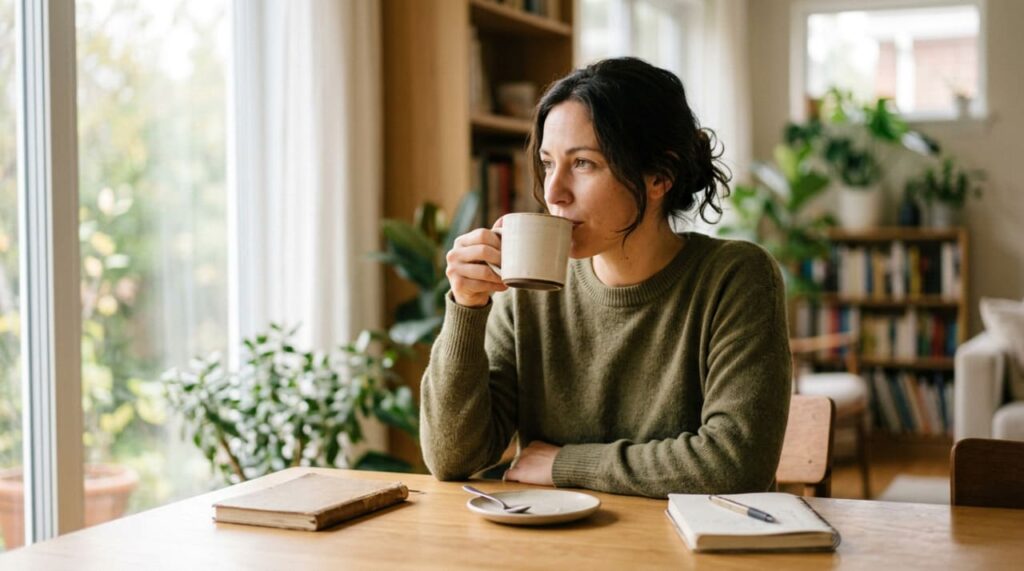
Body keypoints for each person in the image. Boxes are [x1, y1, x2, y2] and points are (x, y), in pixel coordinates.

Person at [419, 57, 791, 499]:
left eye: (582, 164)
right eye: (547, 163)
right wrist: (466, 307)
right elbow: (452, 458)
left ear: (659, 176)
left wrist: (564, 464)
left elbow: (734, 465)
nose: (553, 193)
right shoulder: (529, 291)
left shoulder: (735, 278)